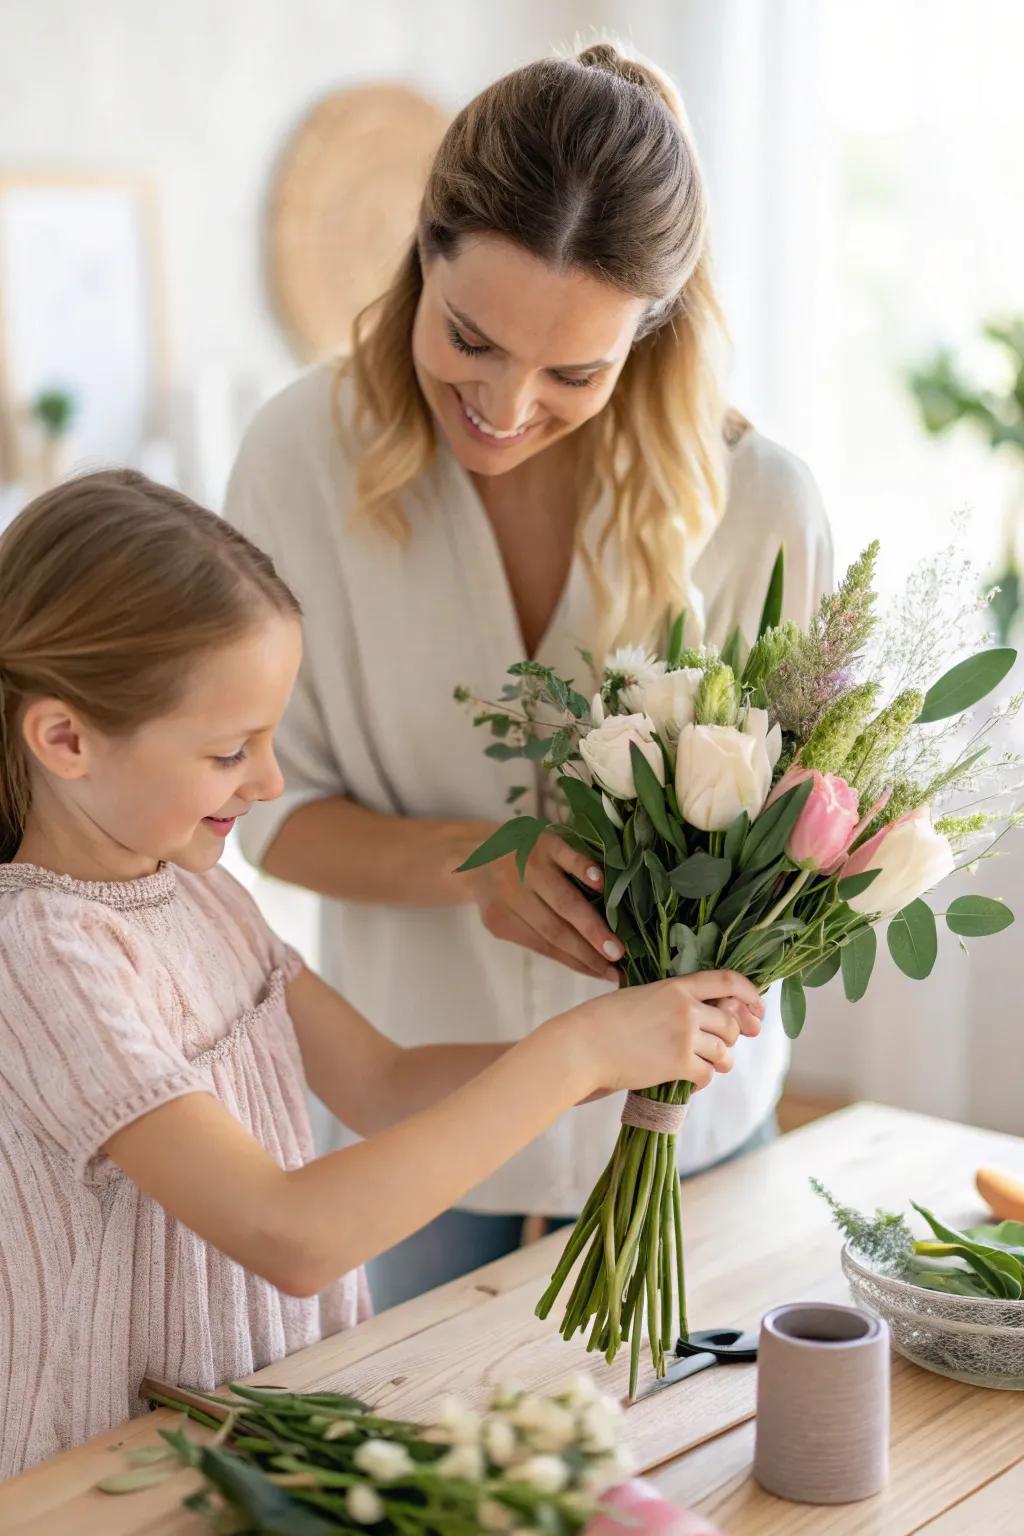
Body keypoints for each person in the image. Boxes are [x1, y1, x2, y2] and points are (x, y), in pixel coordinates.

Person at [0, 470, 763, 1477]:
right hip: (108, 1473)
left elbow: (384, 1083)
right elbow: (290, 1233)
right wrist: (574, 1056)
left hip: (245, 1435)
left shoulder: (195, 891)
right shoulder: (44, 954)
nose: (269, 784)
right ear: (64, 739)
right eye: (231, 751)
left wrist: (619, 1053)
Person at [227, 43, 831, 1308]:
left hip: (683, 1144)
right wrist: (478, 857)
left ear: (650, 333)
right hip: (412, 1139)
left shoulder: (758, 505)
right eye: (469, 337)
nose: (502, 405)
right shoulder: (298, 457)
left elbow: (812, 832)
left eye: (574, 373)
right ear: (422, 251)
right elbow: (268, 813)